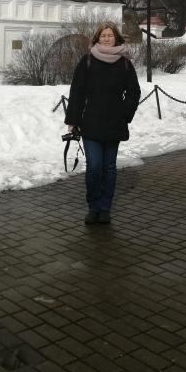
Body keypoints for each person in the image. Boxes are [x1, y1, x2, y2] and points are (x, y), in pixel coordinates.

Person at [65, 22, 141, 225]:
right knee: (94, 166)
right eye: (103, 35)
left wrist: (125, 113)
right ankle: (93, 206)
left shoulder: (125, 63)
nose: (107, 38)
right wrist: (73, 120)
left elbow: (134, 92)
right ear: (97, 38)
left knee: (108, 167)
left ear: (116, 38)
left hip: (114, 123)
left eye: (110, 35)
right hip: (90, 121)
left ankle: (105, 208)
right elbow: (77, 91)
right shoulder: (87, 60)